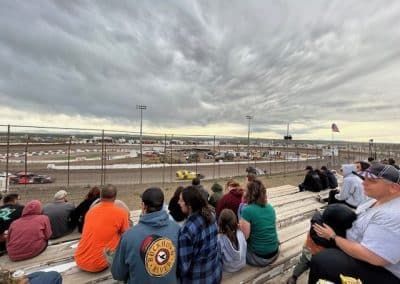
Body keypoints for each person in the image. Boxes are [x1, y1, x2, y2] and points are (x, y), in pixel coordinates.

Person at [310, 163, 400, 284]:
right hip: (359, 240)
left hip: (383, 270)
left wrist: (333, 237)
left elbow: (374, 257)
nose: (364, 183)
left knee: (322, 261)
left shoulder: (392, 215)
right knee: (328, 214)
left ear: (393, 188)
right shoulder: (377, 199)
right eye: (364, 178)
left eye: (372, 181)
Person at [111, 187, 180, 283]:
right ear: (162, 205)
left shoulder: (128, 236)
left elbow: (118, 274)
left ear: (143, 206)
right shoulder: (177, 229)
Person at [286, 204, 356, 284]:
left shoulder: (324, 219)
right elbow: (332, 244)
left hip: (318, 253)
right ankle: (294, 276)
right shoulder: (319, 230)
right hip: (311, 251)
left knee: (305, 264)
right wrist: (335, 238)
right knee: (303, 264)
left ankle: (295, 276)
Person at [74, 184, 129, 272]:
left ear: (100, 196)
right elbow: (126, 236)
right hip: (99, 264)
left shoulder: (91, 211)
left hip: (79, 259)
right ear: (115, 197)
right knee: (122, 235)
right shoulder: (121, 213)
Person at [178, 186, 222, 283]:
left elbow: (184, 268)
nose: (178, 203)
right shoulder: (211, 214)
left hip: (199, 279)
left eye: (181, 201)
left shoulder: (187, 230)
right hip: (215, 274)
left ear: (189, 206)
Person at [239, 180, 279, 266]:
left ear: (249, 193)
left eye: (246, 190)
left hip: (260, 258)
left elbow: (244, 237)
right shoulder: (270, 208)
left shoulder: (247, 210)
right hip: (275, 253)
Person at [218, 209, 246, 273]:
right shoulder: (241, 233)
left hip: (229, 269)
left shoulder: (219, 239)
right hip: (242, 264)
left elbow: (219, 257)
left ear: (220, 224)